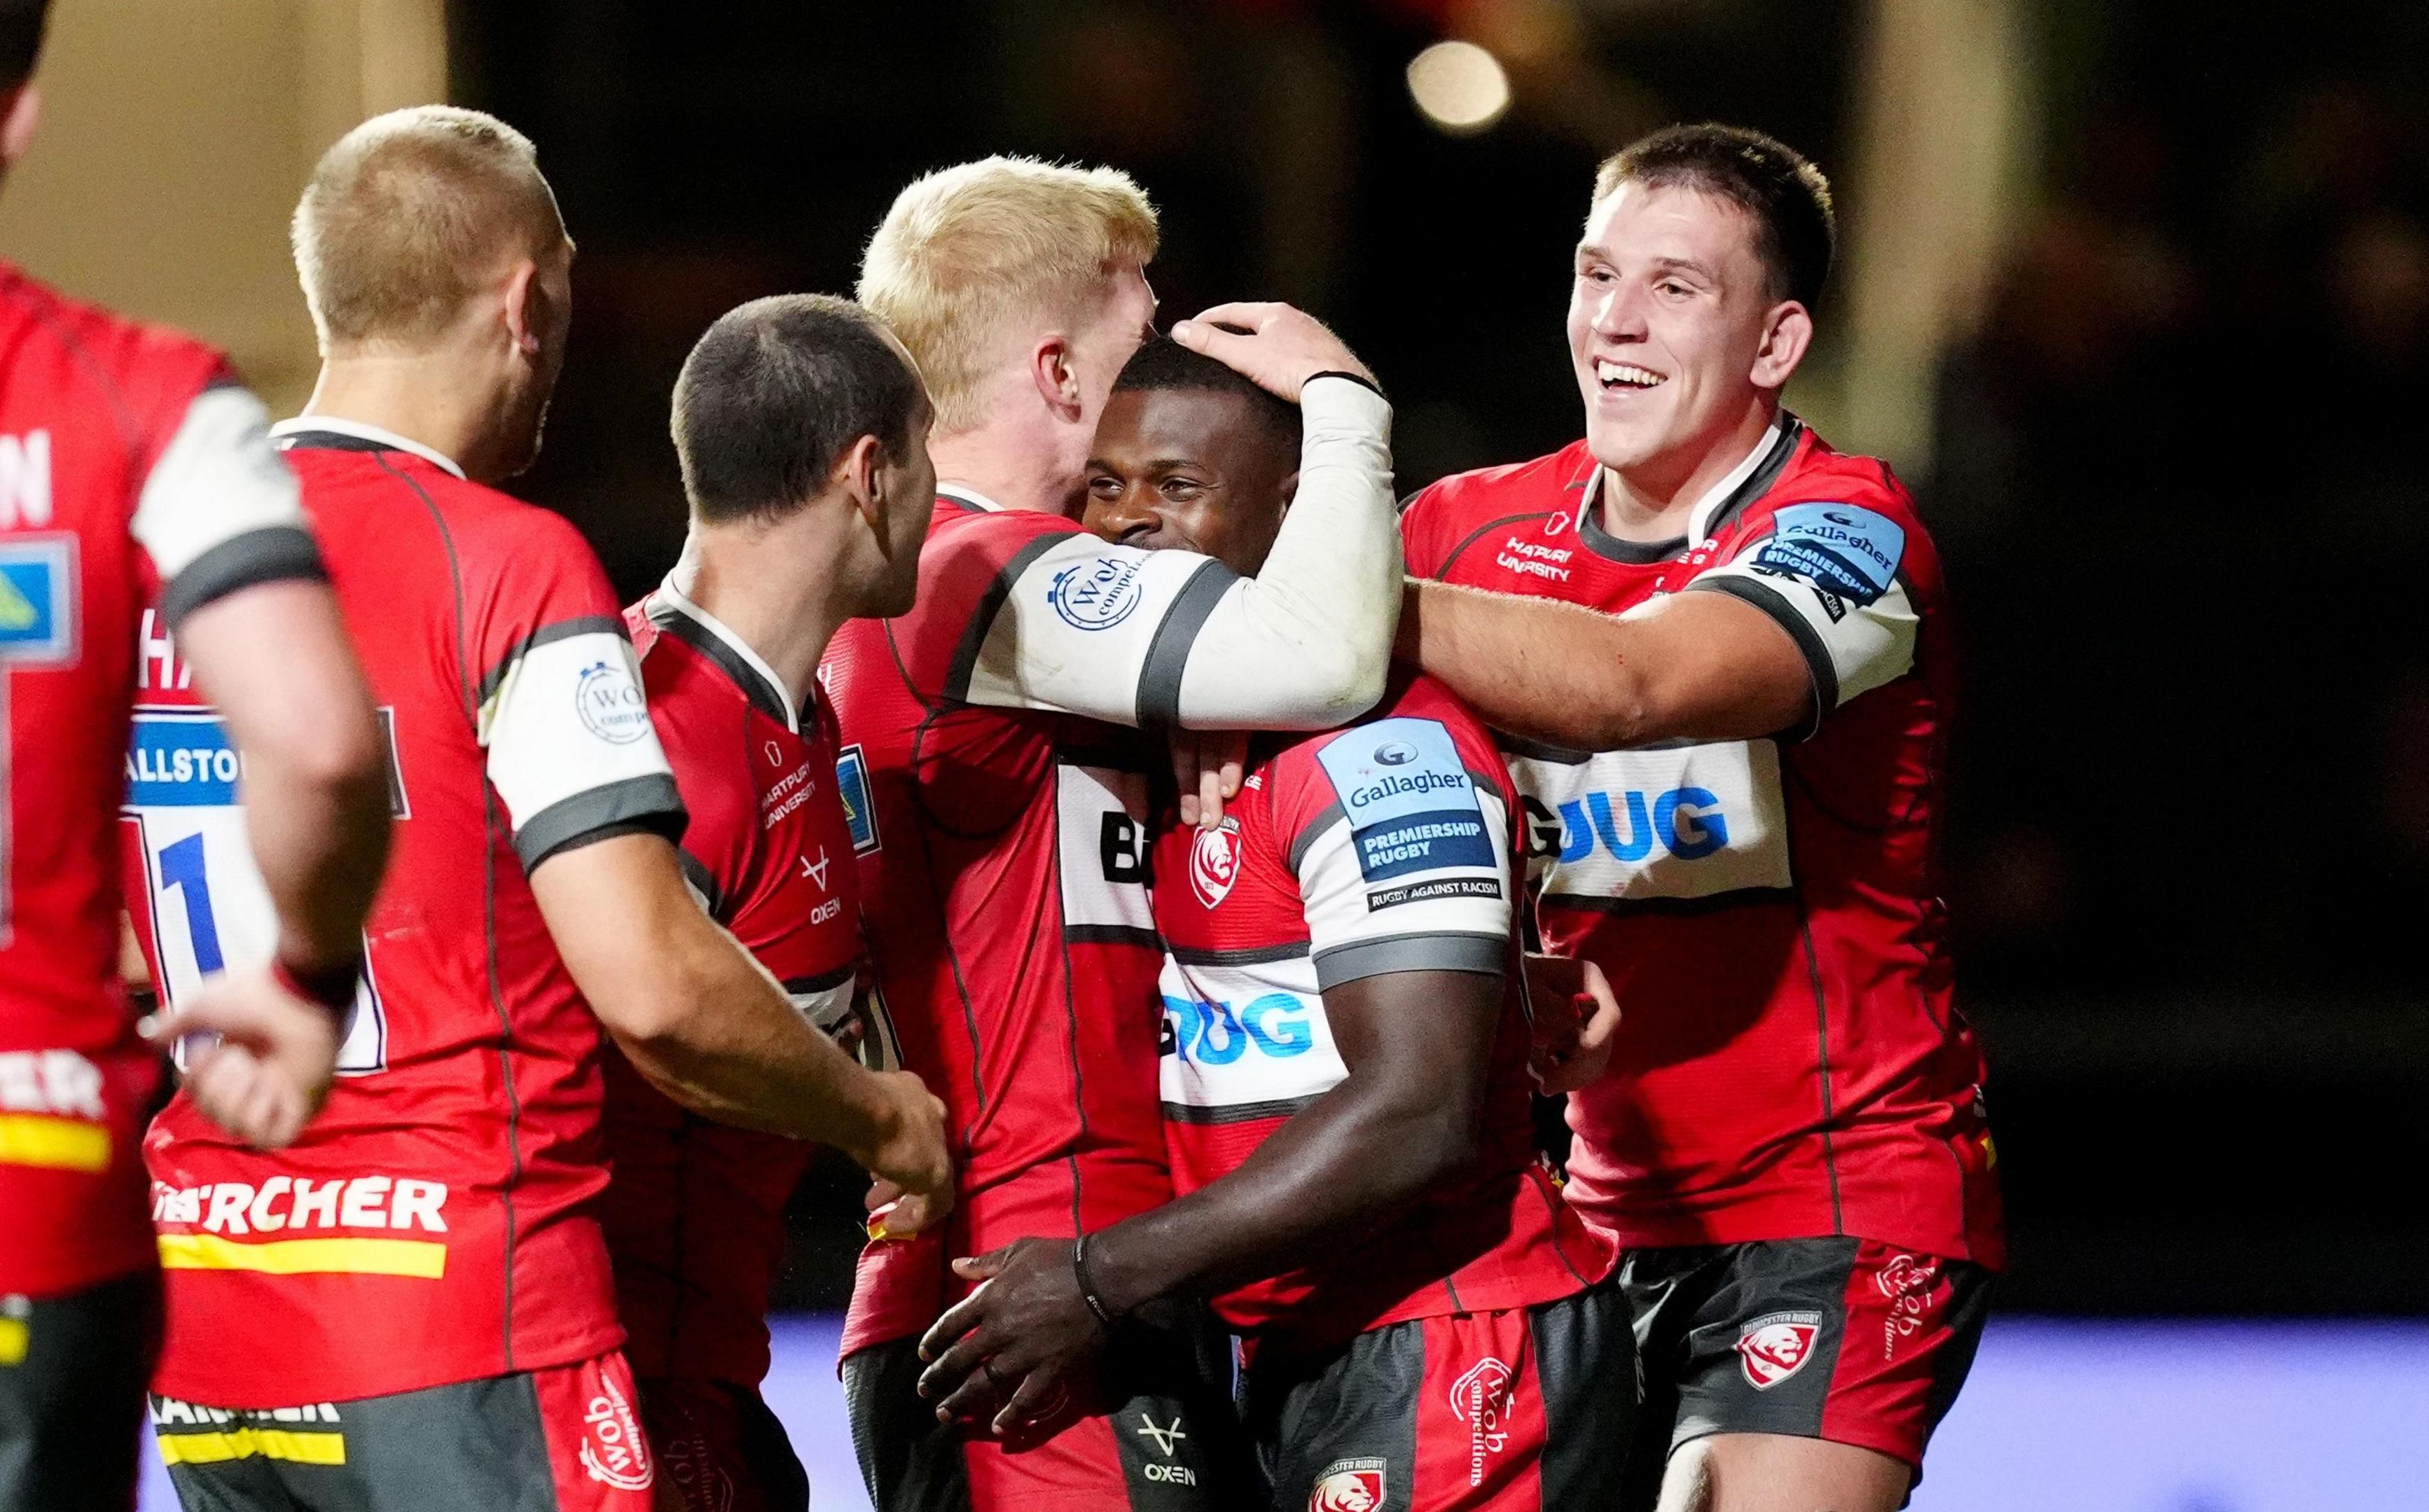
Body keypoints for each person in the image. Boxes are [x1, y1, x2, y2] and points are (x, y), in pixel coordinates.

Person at [123, 110, 950, 1512]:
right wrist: (879, 1119)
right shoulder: (503, 561)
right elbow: (655, 986)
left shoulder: (168, 552)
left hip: (214, 1332)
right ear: (531, 300)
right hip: (460, 1324)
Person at [0, 2, 395, 1508]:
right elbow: (313, 745)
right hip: (28, 1204)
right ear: (17, 115)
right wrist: (302, 981)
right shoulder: (152, 395)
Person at [1395, 124, 2000, 1512]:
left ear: (1776, 344)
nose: (1614, 320)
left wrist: (1331, 597)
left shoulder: (1851, 533)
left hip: (1842, 1203)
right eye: (1597, 273)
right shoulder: (1465, 534)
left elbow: (1632, 687)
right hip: (1588, 1218)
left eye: (1676, 287)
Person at [920, 337, 1635, 1511]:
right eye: (1104, 486)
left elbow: (1424, 1112)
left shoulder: (1382, 750)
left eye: (1178, 487)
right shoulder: (1173, 748)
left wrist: (1100, 1277)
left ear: (1297, 512)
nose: (1128, 523)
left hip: (1457, 1344)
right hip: (1310, 1351)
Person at [824, 156, 1402, 1511]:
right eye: (1136, 343)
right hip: (1027, 1288)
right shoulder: (974, 568)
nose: (1152, 380)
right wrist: (1345, 405)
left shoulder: (954, 587)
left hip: (1068, 1270)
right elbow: (1323, 652)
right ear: (1062, 375)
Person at [604, 293, 935, 1512]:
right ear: (870, 474)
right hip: (620, 1400)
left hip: (714, 1383)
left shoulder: (806, 714)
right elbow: (650, 1026)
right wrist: (880, 1119)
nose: (938, 487)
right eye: (928, 448)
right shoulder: (652, 729)